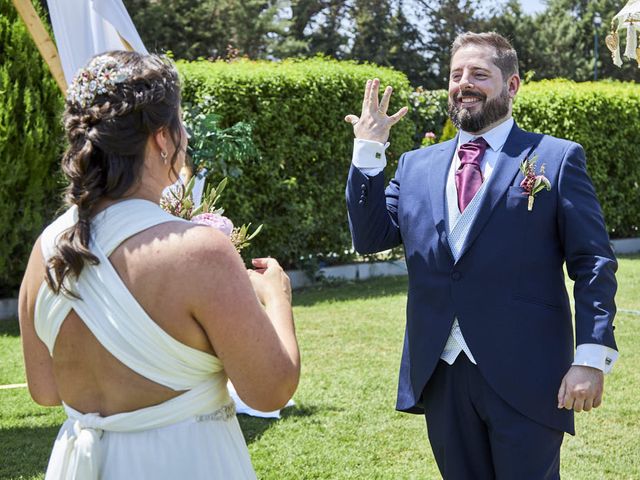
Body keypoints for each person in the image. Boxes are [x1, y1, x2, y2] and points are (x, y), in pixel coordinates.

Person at [344, 32, 618, 479]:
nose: (464, 83)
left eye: (478, 74)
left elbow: (593, 263)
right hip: (443, 370)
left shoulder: (555, 158)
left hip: (528, 372)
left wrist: (590, 357)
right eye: (456, 75)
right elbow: (371, 236)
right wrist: (369, 152)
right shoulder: (416, 165)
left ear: (511, 86)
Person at [18, 51, 300, 480]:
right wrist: (276, 297)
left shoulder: (46, 249)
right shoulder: (197, 251)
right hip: (184, 462)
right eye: (180, 123)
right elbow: (270, 391)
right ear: (163, 138)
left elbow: (44, 391)